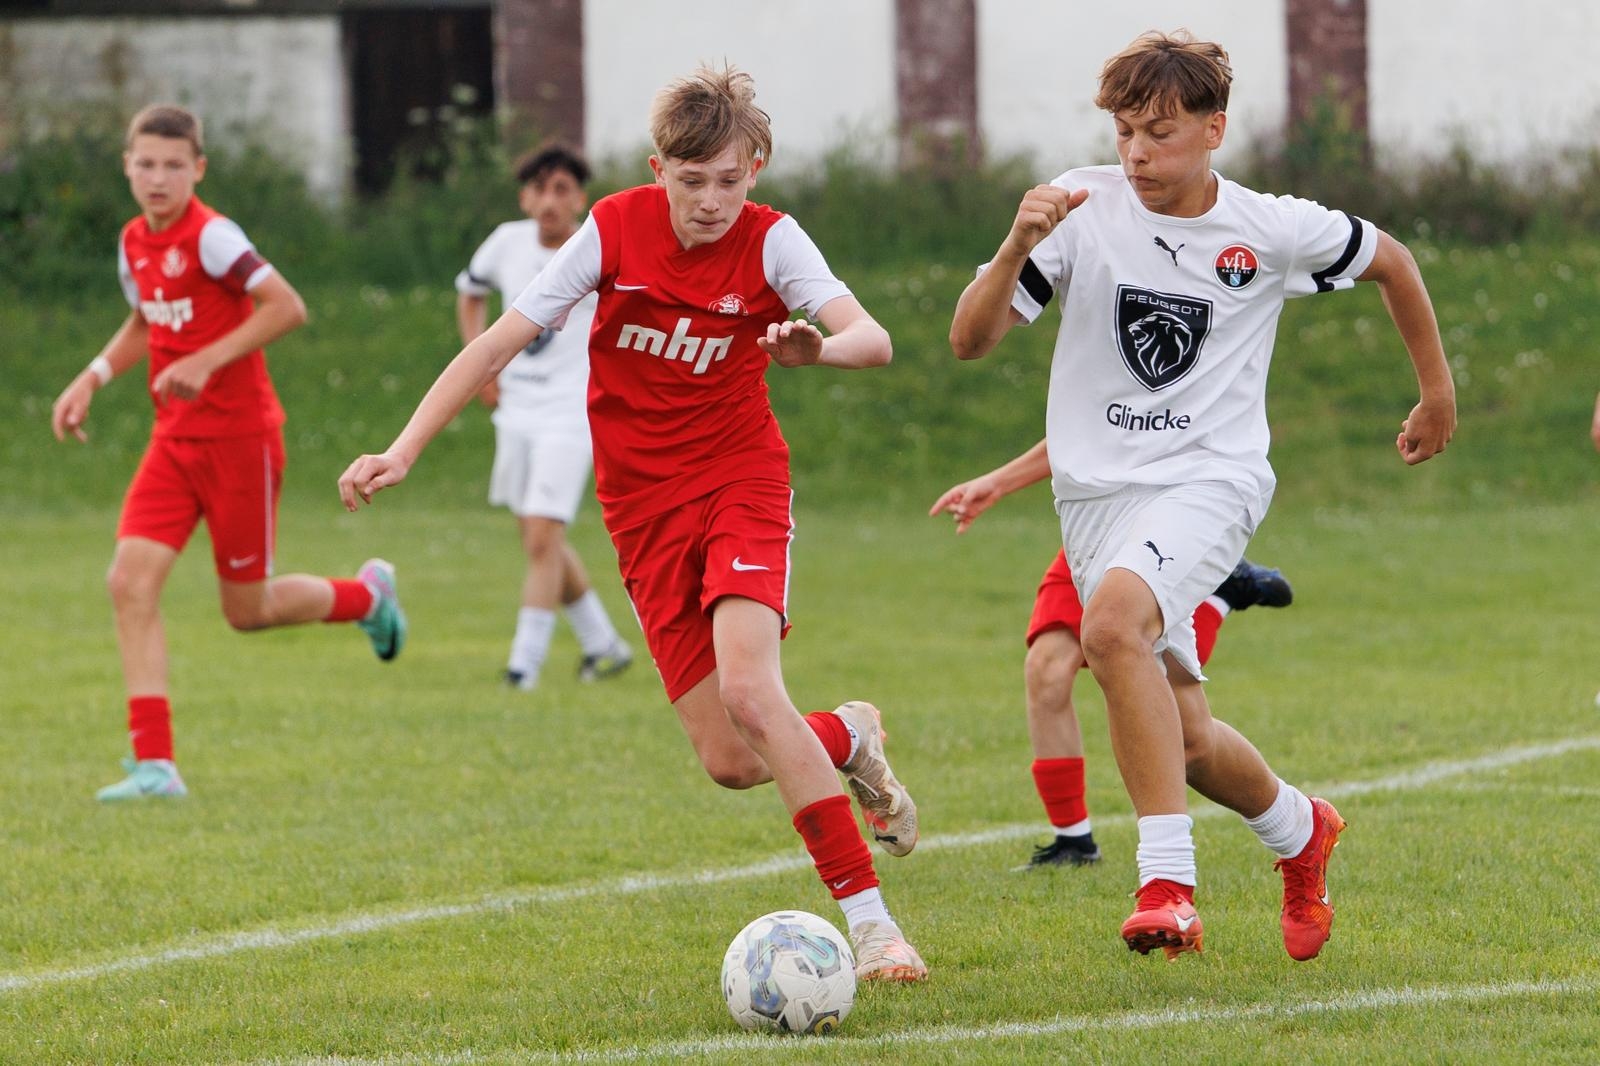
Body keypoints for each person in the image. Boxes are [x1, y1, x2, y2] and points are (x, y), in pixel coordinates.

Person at [340, 66, 927, 982]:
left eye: (728, 180)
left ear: (755, 170)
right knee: (732, 760)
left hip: (739, 480)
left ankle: (874, 928)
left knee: (750, 692)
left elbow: (874, 338)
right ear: (659, 171)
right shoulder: (613, 229)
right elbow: (497, 341)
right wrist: (404, 448)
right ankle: (847, 737)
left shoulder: (773, 241)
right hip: (643, 508)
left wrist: (819, 350)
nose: (710, 201)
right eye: (691, 182)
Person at [948, 30, 1455, 962]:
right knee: (1184, 741)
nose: (1136, 154)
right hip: (1095, 499)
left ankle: (1167, 887)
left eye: (1160, 133)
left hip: (1211, 479)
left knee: (1107, 631)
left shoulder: (1270, 228)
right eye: (1124, 132)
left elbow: (1394, 261)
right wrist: (1017, 246)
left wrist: (1436, 392)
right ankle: (1301, 830)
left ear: (1214, 129)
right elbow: (968, 343)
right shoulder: (1079, 207)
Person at [49, 105, 406, 803]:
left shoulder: (213, 237)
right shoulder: (132, 242)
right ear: (127, 166)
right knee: (128, 584)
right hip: (173, 442)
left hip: (241, 442)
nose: (158, 178)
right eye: (145, 164)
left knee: (247, 610)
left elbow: (286, 306)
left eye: (173, 165)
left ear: (198, 169)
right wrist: (91, 377)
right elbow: (146, 319)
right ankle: (155, 766)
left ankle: (369, 597)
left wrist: (208, 360)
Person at [931, 440, 1293, 869]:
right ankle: (1074, 842)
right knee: (1047, 667)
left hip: (1175, 517)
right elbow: (1082, 426)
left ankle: (1220, 596)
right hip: (1097, 525)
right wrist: (997, 483)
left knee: (1183, 730)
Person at [456, 143, 632, 690]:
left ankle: (522, 667)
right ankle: (603, 644)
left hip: (572, 413)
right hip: (517, 411)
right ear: (524, 198)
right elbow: (470, 292)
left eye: (562, 190)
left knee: (540, 539)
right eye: (540, 189)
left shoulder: (594, 246)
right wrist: (482, 368)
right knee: (540, 537)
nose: (550, 201)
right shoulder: (506, 242)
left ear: (580, 198)